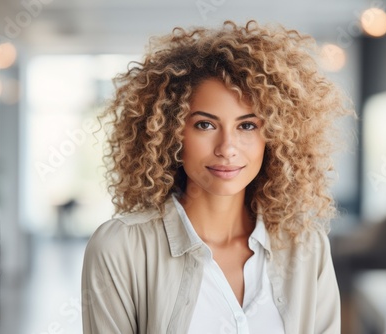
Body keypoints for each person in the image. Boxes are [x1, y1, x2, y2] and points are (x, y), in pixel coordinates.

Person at [81, 20, 354, 334]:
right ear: (172, 133)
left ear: (275, 137)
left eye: (247, 126)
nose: (227, 148)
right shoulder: (120, 247)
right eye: (205, 125)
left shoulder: (306, 246)